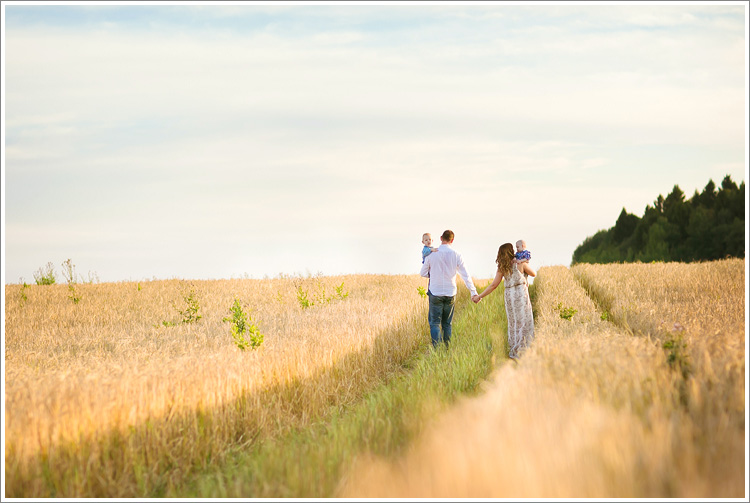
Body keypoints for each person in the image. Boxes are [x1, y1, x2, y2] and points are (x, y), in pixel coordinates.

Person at [473, 242, 536, 360]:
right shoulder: (520, 264)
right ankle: (525, 349)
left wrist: (479, 296)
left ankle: (514, 350)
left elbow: (493, 285)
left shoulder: (502, 267)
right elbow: (534, 273)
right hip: (521, 295)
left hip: (510, 297)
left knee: (513, 323)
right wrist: (525, 264)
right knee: (524, 321)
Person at [420, 230, 480, 348]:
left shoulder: (431, 253)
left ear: (441, 238)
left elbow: (423, 273)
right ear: (452, 240)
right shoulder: (457, 254)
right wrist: (473, 292)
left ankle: (437, 350)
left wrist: (434, 275)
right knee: (447, 323)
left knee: (435, 323)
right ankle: (447, 349)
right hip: (450, 292)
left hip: (435, 292)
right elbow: (466, 275)